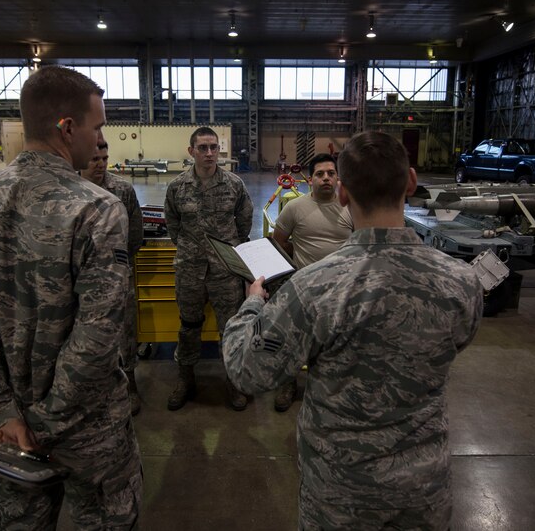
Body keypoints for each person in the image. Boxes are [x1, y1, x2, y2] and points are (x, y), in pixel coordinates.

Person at [0, 66, 142, 529]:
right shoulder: (95, 208)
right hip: (87, 431)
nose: (99, 140)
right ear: (67, 128)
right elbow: (99, 334)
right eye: (96, 128)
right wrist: (49, 420)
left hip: (6, 436)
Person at [221, 131, 482, 530]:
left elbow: (248, 370)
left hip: (340, 497)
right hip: (424, 495)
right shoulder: (461, 282)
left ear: (343, 193)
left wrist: (253, 303)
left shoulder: (312, 288)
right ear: (411, 182)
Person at [164, 126, 254, 411]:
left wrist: (227, 252)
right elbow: (173, 225)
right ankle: (186, 379)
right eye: (202, 148)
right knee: (189, 326)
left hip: (225, 272)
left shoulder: (234, 185)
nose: (209, 153)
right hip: (190, 270)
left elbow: (244, 223)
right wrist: (193, 249)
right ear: (191, 151)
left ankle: (234, 380)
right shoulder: (177, 187)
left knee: (230, 328)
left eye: (214, 147)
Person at [269, 153, 353, 412]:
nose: (326, 178)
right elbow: (279, 241)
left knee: (333, 343)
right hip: (304, 286)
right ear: (310, 179)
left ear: (338, 178)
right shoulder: (295, 208)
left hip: (340, 289)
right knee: (295, 338)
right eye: (320, 174)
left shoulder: (351, 208)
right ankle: (288, 383)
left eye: (331, 173)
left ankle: (327, 386)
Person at [81, 132, 144, 416]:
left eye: (105, 159)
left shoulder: (122, 190)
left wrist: (118, 264)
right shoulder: (70, 191)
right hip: (81, 280)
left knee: (125, 330)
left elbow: (136, 234)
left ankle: (129, 383)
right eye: (94, 159)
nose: (101, 164)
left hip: (119, 276)